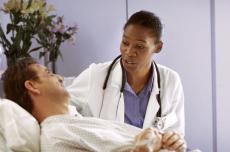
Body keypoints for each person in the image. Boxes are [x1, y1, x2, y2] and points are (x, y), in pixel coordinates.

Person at [2, 58, 186, 152]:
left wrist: (170, 140)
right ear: (32, 86)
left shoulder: (79, 123)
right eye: (49, 73)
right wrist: (146, 146)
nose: (59, 77)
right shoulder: (56, 139)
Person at [65, 10, 185, 151]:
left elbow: (176, 135)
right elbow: (61, 106)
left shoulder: (171, 80)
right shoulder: (96, 75)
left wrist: (174, 140)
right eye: (125, 42)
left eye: (139, 46)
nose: (129, 52)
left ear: (158, 47)